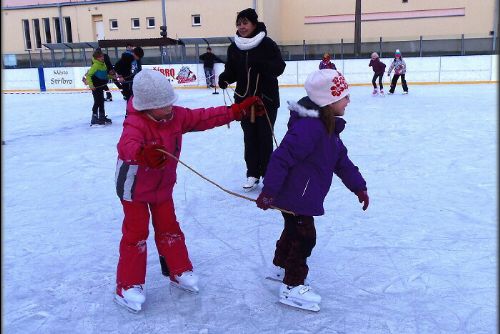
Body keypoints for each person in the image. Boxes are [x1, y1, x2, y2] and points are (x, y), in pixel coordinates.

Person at [113, 69, 265, 313]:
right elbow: (126, 146)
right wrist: (142, 154)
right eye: (164, 105)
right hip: (134, 188)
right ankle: (127, 285)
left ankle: (178, 270)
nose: (170, 107)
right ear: (147, 107)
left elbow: (203, 117)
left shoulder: (175, 117)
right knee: (136, 234)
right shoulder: (136, 123)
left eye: (170, 101)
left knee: (169, 228)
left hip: (162, 186)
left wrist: (237, 111)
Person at [255, 69, 369, 312]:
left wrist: (359, 187)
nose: (349, 101)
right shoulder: (311, 129)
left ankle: (280, 266)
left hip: (300, 195)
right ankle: (291, 286)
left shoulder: (328, 128)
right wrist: (269, 191)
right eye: (344, 96)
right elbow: (281, 158)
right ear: (329, 101)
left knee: (293, 231)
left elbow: (342, 161)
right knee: (305, 237)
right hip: (295, 196)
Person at [218, 8, 286, 191]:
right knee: (249, 138)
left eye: (245, 22)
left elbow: (279, 67)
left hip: (266, 100)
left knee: (264, 138)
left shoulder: (267, 44)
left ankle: (268, 176)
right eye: (239, 23)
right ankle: (252, 174)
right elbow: (232, 71)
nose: (242, 27)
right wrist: (224, 78)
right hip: (243, 100)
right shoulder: (234, 47)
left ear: (254, 24)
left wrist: (262, 65)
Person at [85, 49, 113, 125]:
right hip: (95, 87)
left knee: (101, 101)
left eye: (103, 56)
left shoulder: (103, 65)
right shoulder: (95, 65)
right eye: (101, 57)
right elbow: (88, 75)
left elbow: (104, 75)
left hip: (101, 86)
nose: (103, 58)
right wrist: (91, 85)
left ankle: (102, 116)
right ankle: (94, 118)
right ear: (97, 58)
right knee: (97, 101)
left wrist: (112, 76)